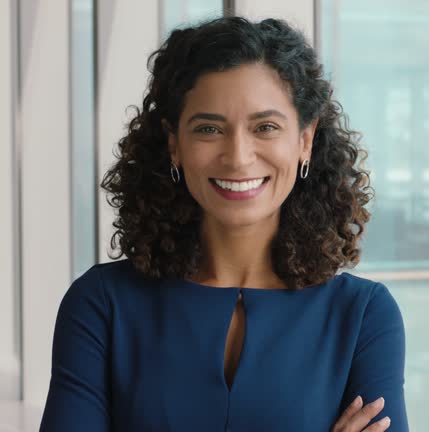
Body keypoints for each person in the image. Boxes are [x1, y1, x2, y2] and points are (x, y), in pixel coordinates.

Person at [39, 16, 408, 432]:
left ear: (304, 140)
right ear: (174, 144)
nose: (237, 156)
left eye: (265, 127)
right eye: (209, 128)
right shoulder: (100, 305)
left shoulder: (363, 316)